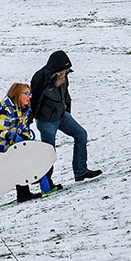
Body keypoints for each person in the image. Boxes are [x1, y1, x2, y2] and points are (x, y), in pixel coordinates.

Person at [29, 50, 102, 183]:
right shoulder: (40, 79)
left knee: (81, 135)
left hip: (62, 115)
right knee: (49, 151)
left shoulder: (64, 75)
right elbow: (34, 101)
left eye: (66, 71)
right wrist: (29, 119)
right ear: (53, 70)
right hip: (46, 121)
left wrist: (67, 109)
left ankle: (81, 171)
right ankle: (46, 180)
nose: (63, 74)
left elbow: (65, 93)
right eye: (61, 72)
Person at [0, 82, 45, 210]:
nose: (29, 97)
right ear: (17, 94)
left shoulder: (24, 110)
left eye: (29, 94)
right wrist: (11, 136)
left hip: (14, 145)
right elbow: (1, 130)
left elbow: (23, 127)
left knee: (20, 166)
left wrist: (25, 137)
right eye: (25, 94)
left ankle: (23, 193)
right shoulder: (6, 111)